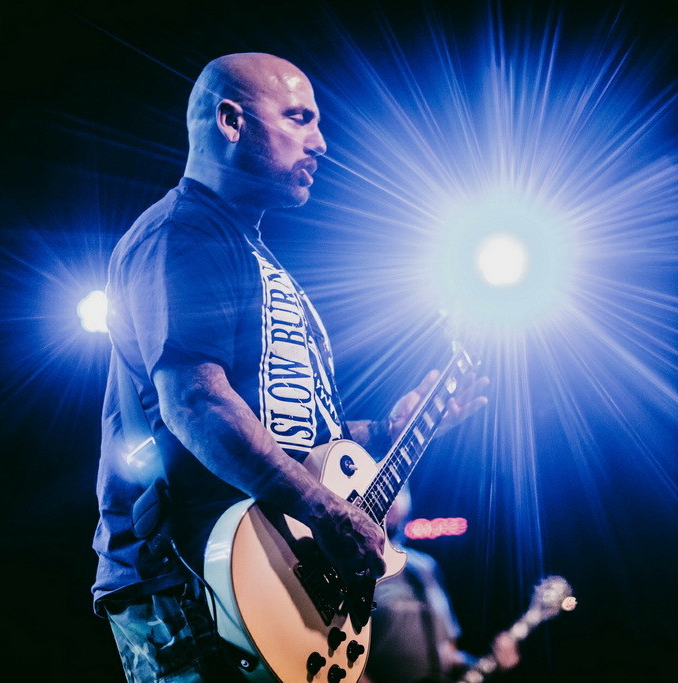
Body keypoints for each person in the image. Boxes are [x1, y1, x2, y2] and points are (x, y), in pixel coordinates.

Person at [90, 53, 488, 682]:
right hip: (193, 585)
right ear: (231, 121)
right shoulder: (183, 233)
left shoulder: (257, 257)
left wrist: (391, 429)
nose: (321, 142)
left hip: (273, 584)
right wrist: (326, 512)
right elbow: (195, 402)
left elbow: (297, 436)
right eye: (300, 118)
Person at [361, 488, 519, 683]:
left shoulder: (426, 567)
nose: (393, 499)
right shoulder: (356, 566)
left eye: (401, 491)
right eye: (386, 489)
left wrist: (494, 661)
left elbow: (447, 652)